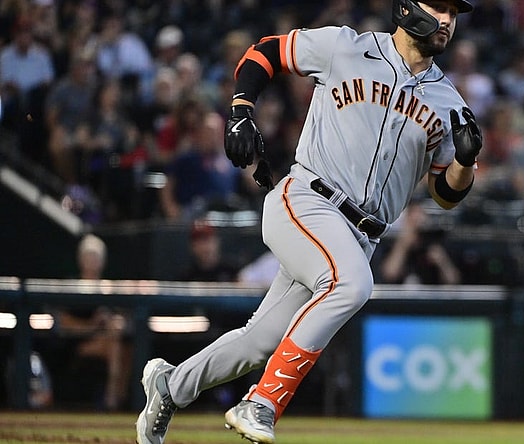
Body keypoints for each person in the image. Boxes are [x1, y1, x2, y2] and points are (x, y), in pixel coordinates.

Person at [135, 2, 483, 444]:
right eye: (441, 6)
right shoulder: (346, 47)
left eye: (456, 11)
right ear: (407, 6)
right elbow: (266, 52)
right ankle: (262, 402)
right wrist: (241, 108)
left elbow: (446, 194)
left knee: (259, 342)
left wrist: (466, 163)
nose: (449, 20)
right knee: (352, 285)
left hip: (361, 235)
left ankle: (170, 385)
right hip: (308, 199)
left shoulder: (448, 100)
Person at [54, 234, 132, 411]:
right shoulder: (71, 287)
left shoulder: (109, 288)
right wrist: (92, 325)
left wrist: (113, 322)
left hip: (107, 341)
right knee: (115, 345)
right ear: (80, 260)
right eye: (88, 257)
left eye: (96, 257)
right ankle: (112, 398)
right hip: (75, 346)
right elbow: (64, 322)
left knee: (125, 347)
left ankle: (121, 398)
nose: (92, 262)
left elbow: (122, 319)